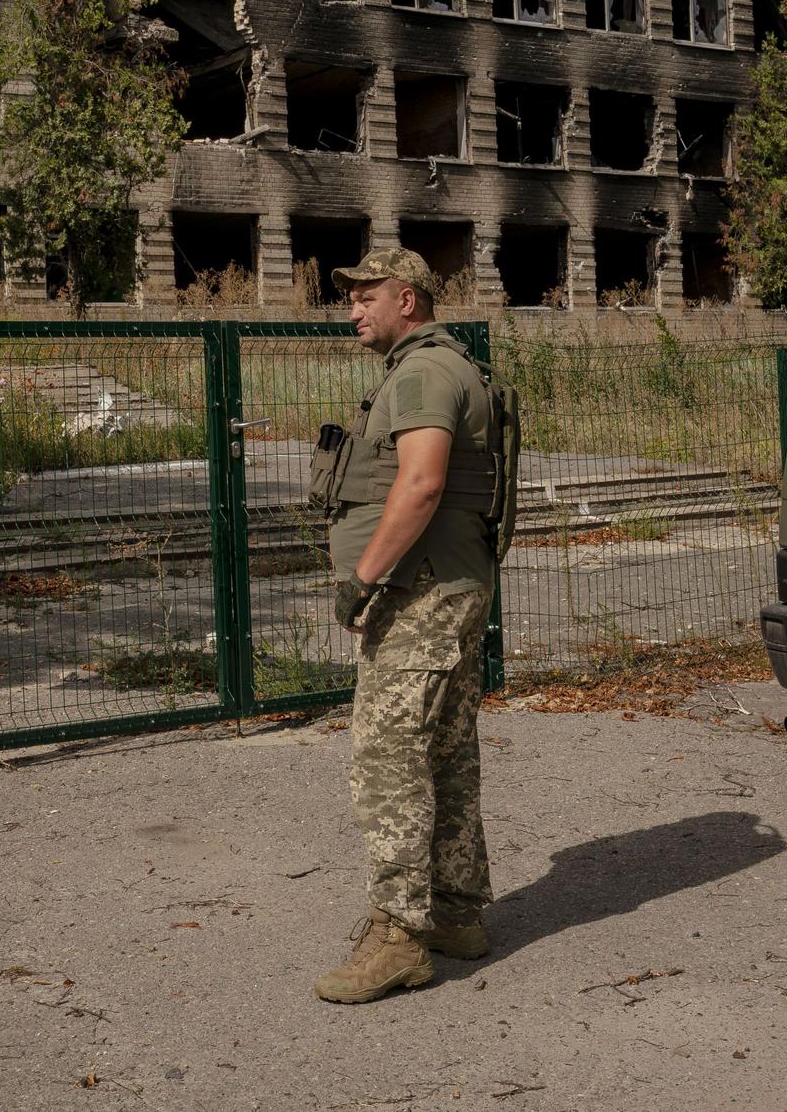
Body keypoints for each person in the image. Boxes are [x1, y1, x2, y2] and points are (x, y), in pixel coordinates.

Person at [311, 247, 502, 1005]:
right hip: (450, 586)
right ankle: (456, 913)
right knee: (447, 751)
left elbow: (421, 483)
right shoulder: (443, 366)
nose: (353, 308)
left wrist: (364, 581)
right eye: (350, 296)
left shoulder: (424, 373)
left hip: (421, 593)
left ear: (409, 300)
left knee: (389, 757)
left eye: (366, 295)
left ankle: (398, 935)